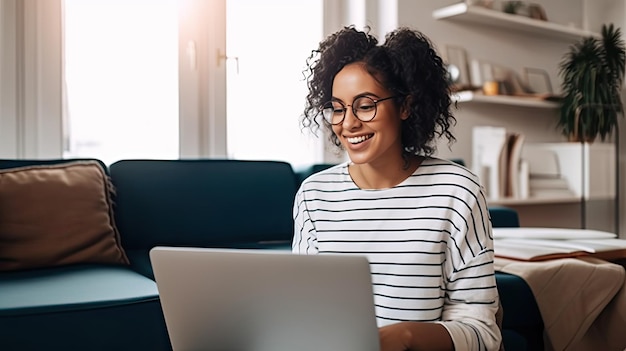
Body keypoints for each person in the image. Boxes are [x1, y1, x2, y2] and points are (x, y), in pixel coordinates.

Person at [292, 25, 502, 351]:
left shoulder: (457, 191)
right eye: (337, 107)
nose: (348, 124)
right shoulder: (313, 195)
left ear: (404, 106)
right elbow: (303, 311)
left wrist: (406, 337)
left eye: (365, 105)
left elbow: (484, 334)